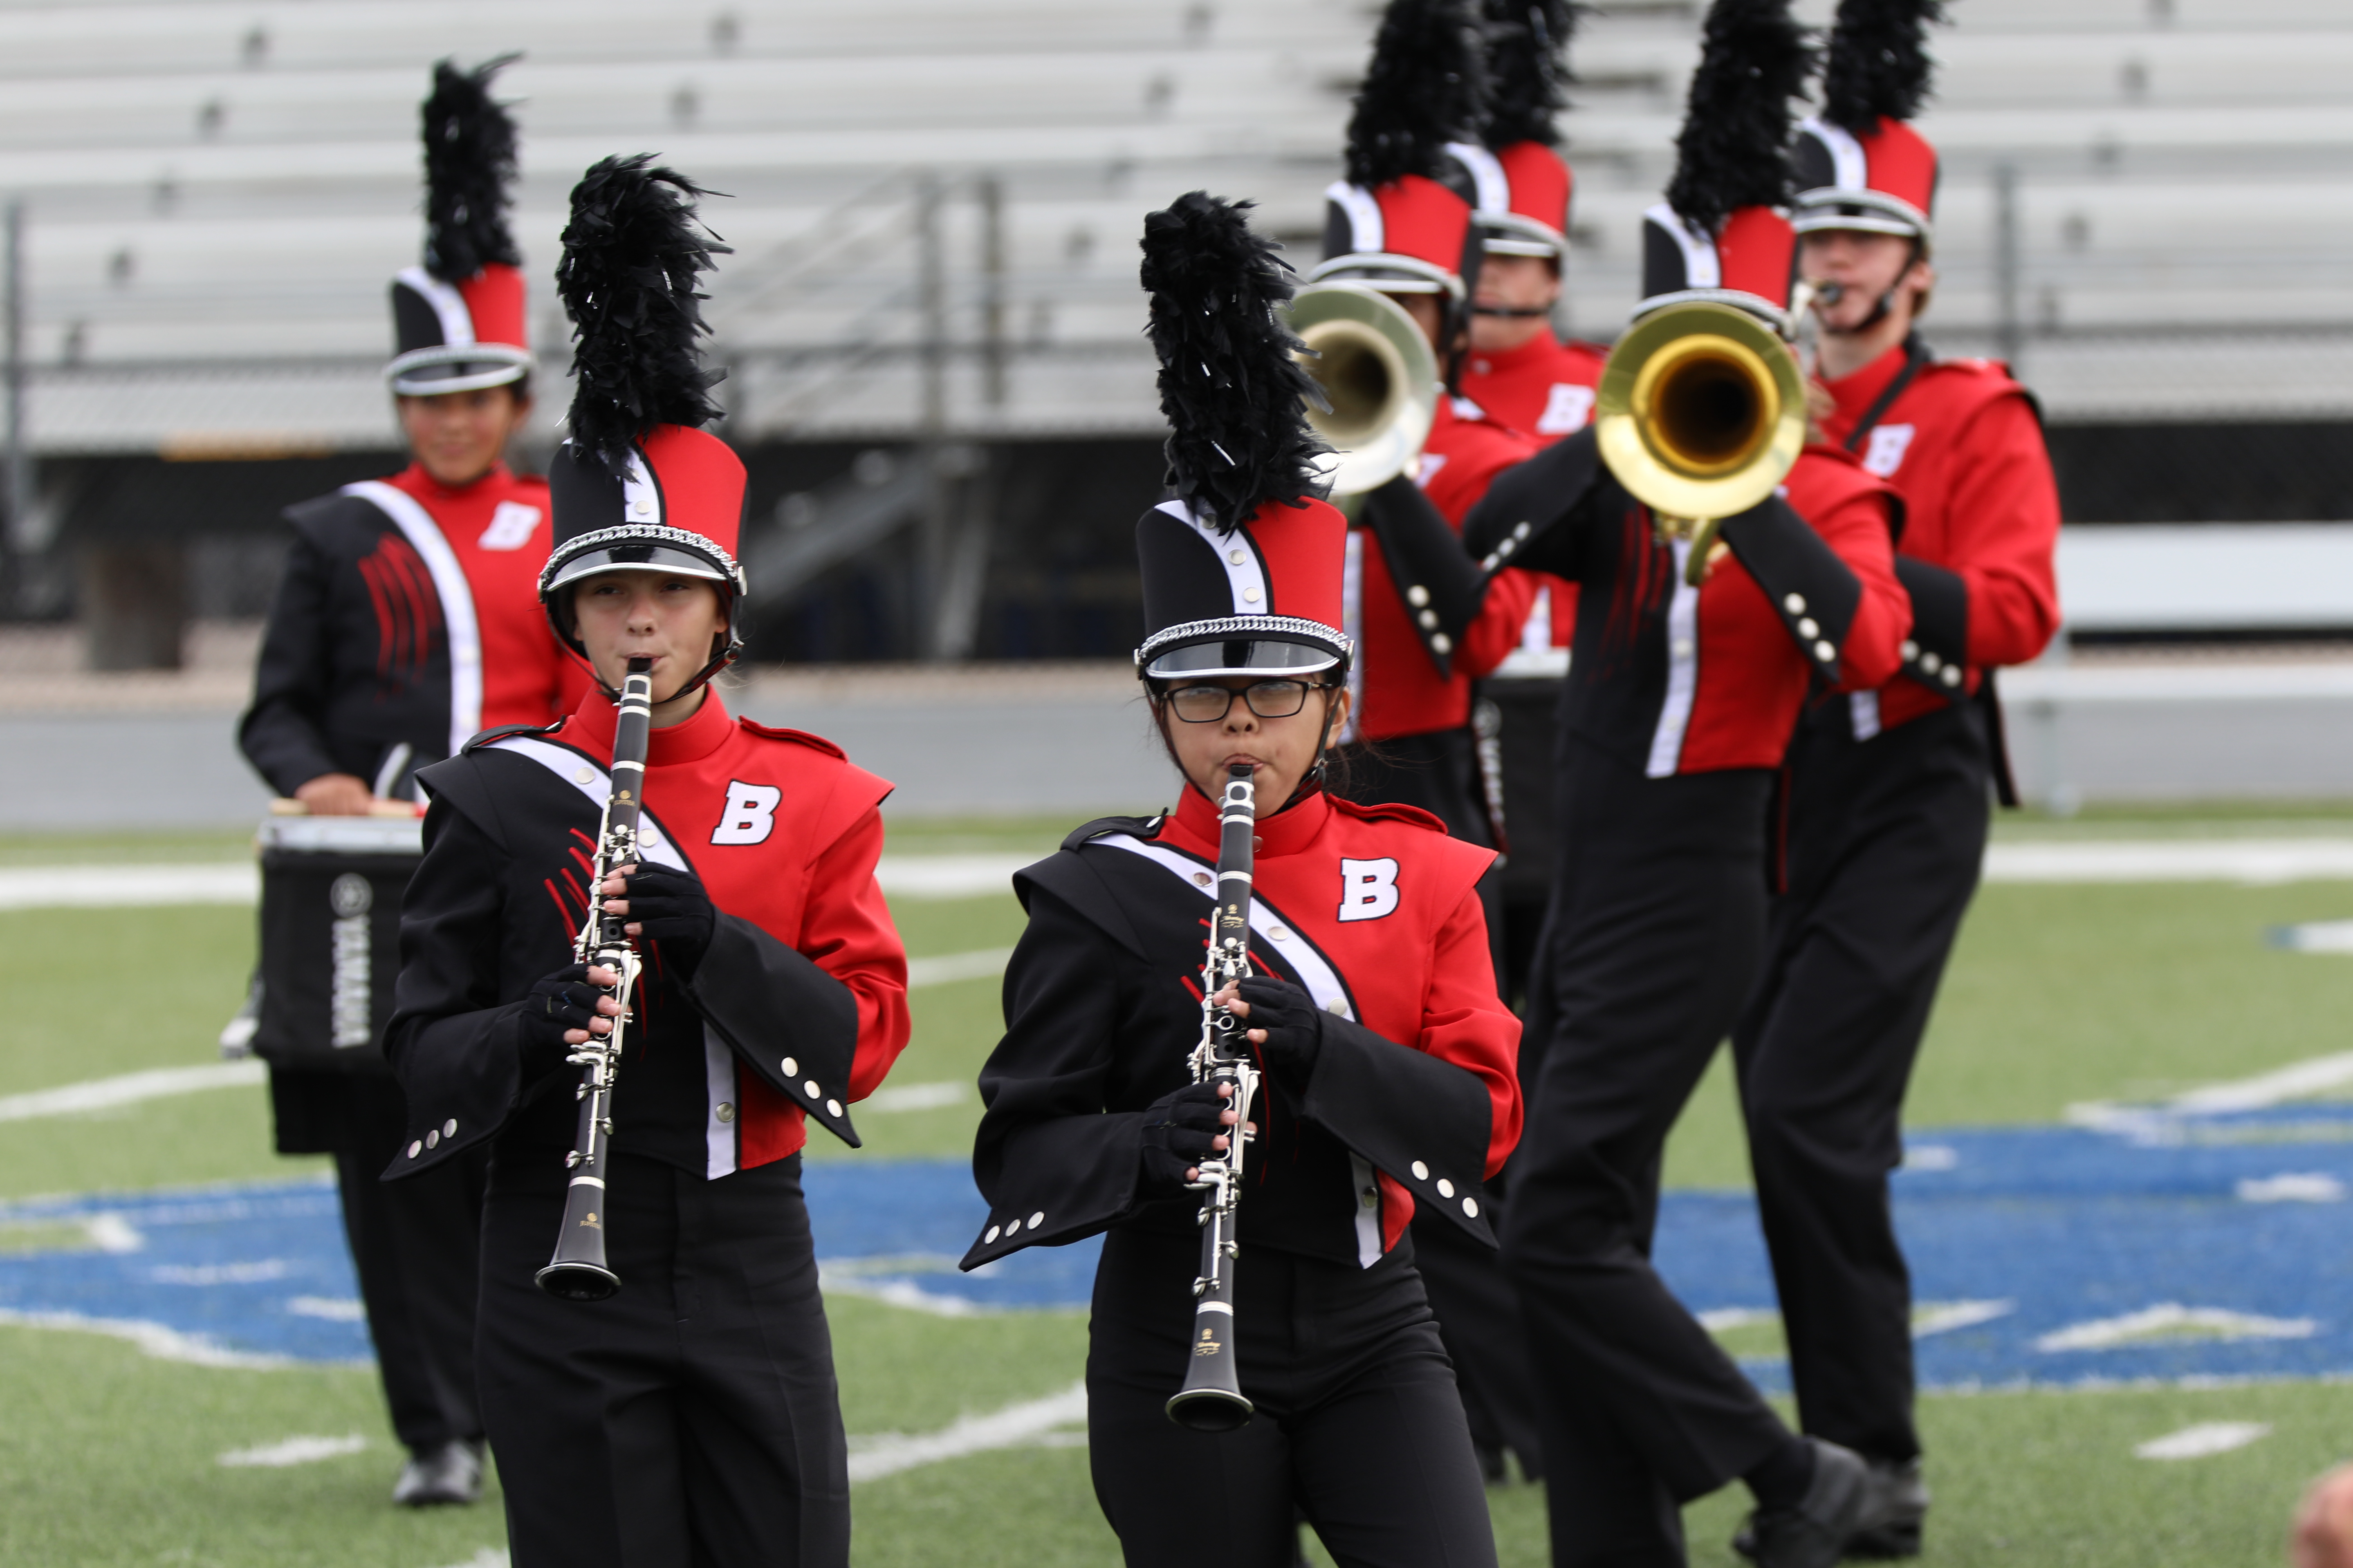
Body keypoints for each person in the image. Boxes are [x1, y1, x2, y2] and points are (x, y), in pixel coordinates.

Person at [960, 191, 1521, 1568]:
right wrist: (1148, 1146)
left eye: (1275, 699)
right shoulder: (1100, 896)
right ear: (1158, 711)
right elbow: (1016, 1147)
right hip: (1169, 1324)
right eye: (1204, 700)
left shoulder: (1427, 870)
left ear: (1334, 708)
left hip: (1373, 1320)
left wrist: (1324, 1050)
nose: (1240, 731)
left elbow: (1485, 1122)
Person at [382, 156, 911, 1568]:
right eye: (608, 592)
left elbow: (862, 1044)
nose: (637, 623)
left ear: (721, 611)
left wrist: (713, 949)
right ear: (566, 610)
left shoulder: (813, 793)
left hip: (750, 1246)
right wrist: (534, 1024)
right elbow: (417, 1054)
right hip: (549, 1253)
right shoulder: (495, 798)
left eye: (668, 593)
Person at [1462, 2, 1911, 1562]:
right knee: (1580, 1229)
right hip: (1590, 881)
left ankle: (1797, 1476)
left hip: (1699, 883)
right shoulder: (1620, 502)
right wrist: (1620, 423)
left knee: (1556, 1215)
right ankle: (1618, 1539)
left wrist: (1760, 476)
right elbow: (1484, 537)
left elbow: (1865, 649)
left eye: (1746, 345)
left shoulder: (1840, 496)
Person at [1728, 1, 2063, 1555]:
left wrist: (1855, 579)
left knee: (1807, 1112)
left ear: (1917, 269)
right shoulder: (1739, 398)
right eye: (1816, 230)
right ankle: (1830, 1443)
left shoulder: (1970, 412)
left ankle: (1868, 1458)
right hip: (1752, 792)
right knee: (1781, 1117)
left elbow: (2011, 611)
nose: (1835, 258)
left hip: (1902, 786)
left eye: (1865, 236)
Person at [233, 58, 576, 1508]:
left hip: (527, 870)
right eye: (425, 394)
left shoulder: (569, 519)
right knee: (387, 1150)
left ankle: (544, 1402)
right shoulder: (337, 531)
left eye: (477, 391)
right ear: (400, 401)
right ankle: (435, 1426)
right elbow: (276, 711)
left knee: (551, 1122)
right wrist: (318, 785)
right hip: (372, 874)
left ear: (514, 392)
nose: (452, 417)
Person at [1303, 0, 1542, 847]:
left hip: (1425, 771)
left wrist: (1385, 465)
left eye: (1405, 299)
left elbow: (1484, 636)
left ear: (1454, 323)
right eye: (1360, 296)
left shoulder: (1493, 457)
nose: (1381, 317)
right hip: (1287, 773)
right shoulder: (1279, 447)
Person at [1451, 0, 1608, 1010]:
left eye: (1517, 258)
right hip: (1449, 696)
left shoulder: (1605, 388)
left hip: (1568, 695)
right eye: (1480, 257)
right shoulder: (1411, 394)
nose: (1495, 279)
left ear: (1554, 268)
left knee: (1563, 934)